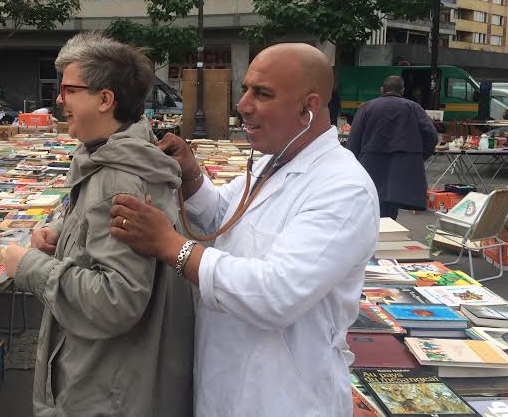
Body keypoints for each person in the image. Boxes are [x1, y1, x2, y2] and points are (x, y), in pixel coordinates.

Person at [108, 43, 380, 416]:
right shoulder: (273, 162)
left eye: (262, 94)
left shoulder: (343, 188)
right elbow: (224, 218)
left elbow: (276, 293)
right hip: (227, 383)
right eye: (246, 89)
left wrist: (170, 246)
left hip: (284, 398)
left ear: (309, 106)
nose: (243, 105)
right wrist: (191, 175)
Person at [0, 32, 194, 417]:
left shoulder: (118, 178)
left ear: (105, 100)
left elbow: (115, 300)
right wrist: (65, 235)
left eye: (69, 90)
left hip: (106, 390)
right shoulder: (108, 157)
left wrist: (28, 267)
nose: (59, 100)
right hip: (111, 376)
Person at [347, 75, 439, 219]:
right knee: (390, 213)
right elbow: (431, 136)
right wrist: (417, 157)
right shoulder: (413, 107)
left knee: (370, 209)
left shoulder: (366, 107)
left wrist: (353, 166)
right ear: (402, 90)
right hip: (400, 168)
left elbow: (353, 141)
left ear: (382, 89)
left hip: (370, 166)